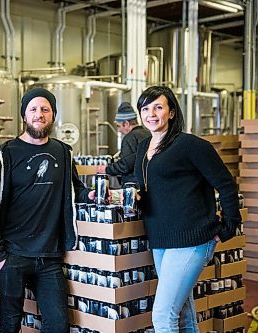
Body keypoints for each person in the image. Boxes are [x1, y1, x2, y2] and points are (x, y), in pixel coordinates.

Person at [0, 88, 93, 333]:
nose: (39, 114)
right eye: (33, 109)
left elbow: (75, 189)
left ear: (53, 115)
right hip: (13, 255)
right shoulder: (3, 155)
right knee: (10, 323)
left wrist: (92, 195)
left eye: (45, 109)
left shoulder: (63, 152)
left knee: (58, 325)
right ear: (24, 115)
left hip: (49, 257)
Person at [133, 86, 241, 332]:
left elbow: (225, 184)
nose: (151, 114)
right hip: (161, 240)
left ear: (171, 112)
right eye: (146, 108)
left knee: (162, 315)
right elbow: (146, 186)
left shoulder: (191, 146)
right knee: (182, 312)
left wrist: (228, 227)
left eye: (158, 107)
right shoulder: (142, 148)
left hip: (191, 239)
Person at [96, 102, 150, 185]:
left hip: (134, 186)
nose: (119, 130)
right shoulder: (148, 134)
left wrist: (106, 169)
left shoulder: (130, 138)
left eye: (118, 126)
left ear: (126, 123)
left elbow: (125, 165)